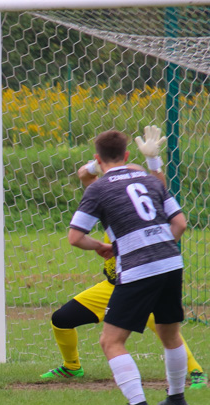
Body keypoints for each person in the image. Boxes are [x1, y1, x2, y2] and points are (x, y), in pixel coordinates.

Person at [41, 152, 207, 390]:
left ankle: (196, 372)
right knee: (61, 319)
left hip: (139, 280)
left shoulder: (140, 206)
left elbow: (159, 191)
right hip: (112, 285)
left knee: (165, 330)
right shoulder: (109, 198)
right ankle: (72, 367)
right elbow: (84, 175)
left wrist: (152, 163)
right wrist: (99, 164)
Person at [67, 126, 189, 405]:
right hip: (171, 263)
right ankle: (176, 399)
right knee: (169, 334)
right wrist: (158, 244)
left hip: (139, 268)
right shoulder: (150, 179)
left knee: (111, 341)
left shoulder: (98, 188)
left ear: (98, 158)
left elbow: (75, 237)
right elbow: (180, 224)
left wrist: (100, 245)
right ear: (127, 154)